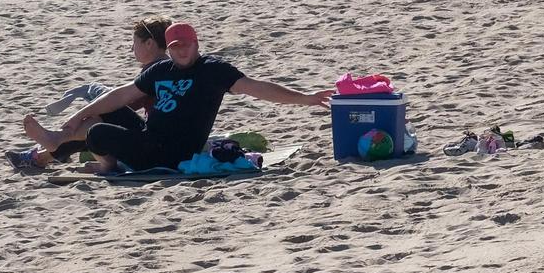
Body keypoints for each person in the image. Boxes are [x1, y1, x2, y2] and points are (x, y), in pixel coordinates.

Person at [24, 23, 331, 174]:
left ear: (196, 44)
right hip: (149, 139)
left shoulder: (213, 70)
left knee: (99, 132)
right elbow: (122, 95)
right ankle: (59, 141)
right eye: (175, 46)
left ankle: (103, 163)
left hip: (173, 154)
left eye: (186, 45)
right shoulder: (161, 70)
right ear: (167, 48)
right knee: (103, 113)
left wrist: (305, 98)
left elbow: (258, 87)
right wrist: (79, 113)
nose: (181, 51)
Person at [9, 15, 172, 172]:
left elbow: (122, 103)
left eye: (134, 43)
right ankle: (46, 150)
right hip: (157, 140)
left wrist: (84, 111)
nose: (131, 48)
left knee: (103, 114)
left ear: (149, 43)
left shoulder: (156, 71)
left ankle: (45, 151)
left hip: (154, 145)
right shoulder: (169, 66)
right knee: (97, 118)